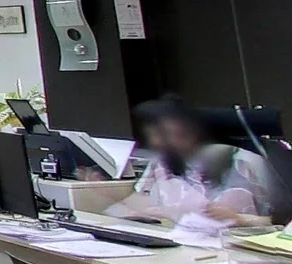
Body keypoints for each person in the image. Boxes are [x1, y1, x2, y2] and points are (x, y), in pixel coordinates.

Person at [106, 97, 270, 229]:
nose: (157, 141)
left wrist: (240, 219)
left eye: (167, 134)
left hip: (237, 247)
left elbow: (281, 223)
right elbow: (136, 202)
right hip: (175, 242)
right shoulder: (163, 161)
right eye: (154, 135)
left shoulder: (246, 162)